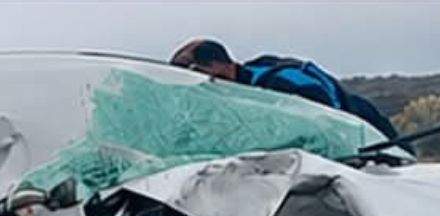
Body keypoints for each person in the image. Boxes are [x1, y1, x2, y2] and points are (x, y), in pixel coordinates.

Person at [168, 38, 403, 144]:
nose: (209, 90)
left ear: (227, 65)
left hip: (374, 147)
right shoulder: (222, 104)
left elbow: (324, 121)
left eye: (210, 79)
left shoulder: (279, 80)